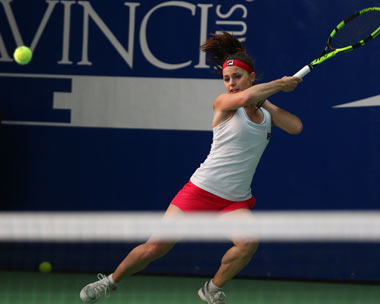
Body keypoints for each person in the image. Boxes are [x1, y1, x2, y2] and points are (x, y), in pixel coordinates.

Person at [80, 31, 303, 304]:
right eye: (227, 79)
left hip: (234, 199)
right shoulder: (223, 104)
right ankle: (111, 281)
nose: (231, 84)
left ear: (251, 77)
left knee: (248, 243)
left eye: (237, 78)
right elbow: (244, 99)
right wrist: (279, 84)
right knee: (154, 248)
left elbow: (295, 127)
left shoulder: (266, 112)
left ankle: (212, 289)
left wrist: (266, 99)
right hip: (201, 190)